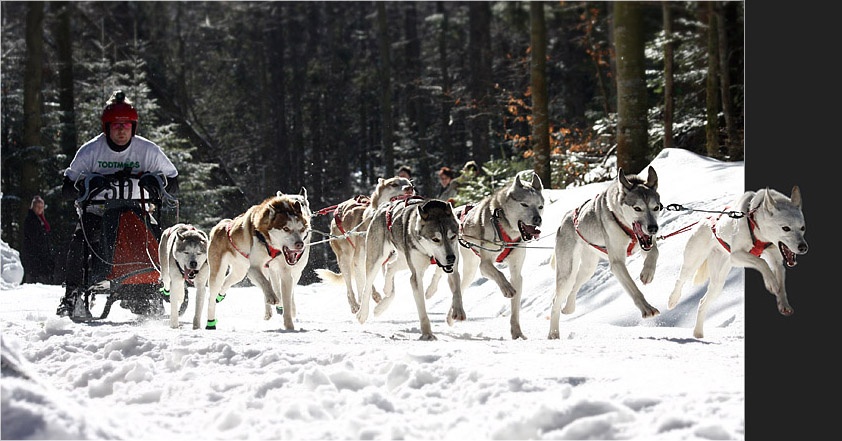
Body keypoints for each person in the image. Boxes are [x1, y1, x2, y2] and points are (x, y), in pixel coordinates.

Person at [56, 90, 179, 317]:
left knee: (162, 239)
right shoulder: (91, 150)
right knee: (79, 240)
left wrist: (157, 183)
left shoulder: (148, 150)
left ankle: (165, 287)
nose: (121, 130)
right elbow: (67, 188)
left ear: (133, 127)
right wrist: (87, 186)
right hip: (99, 210)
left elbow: (173, 181)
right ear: (107, 127)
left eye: (126, 125)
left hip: (137, 209)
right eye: (116, 125)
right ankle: (72, 294)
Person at [21, 195, 55, 284]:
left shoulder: (41, 219)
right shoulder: (30, 220)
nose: (40, 209)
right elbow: (34, 238)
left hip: (42, 255)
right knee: (34, 280)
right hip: (34, 255)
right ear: (33, 207)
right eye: (38, 207)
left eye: (41, 207)